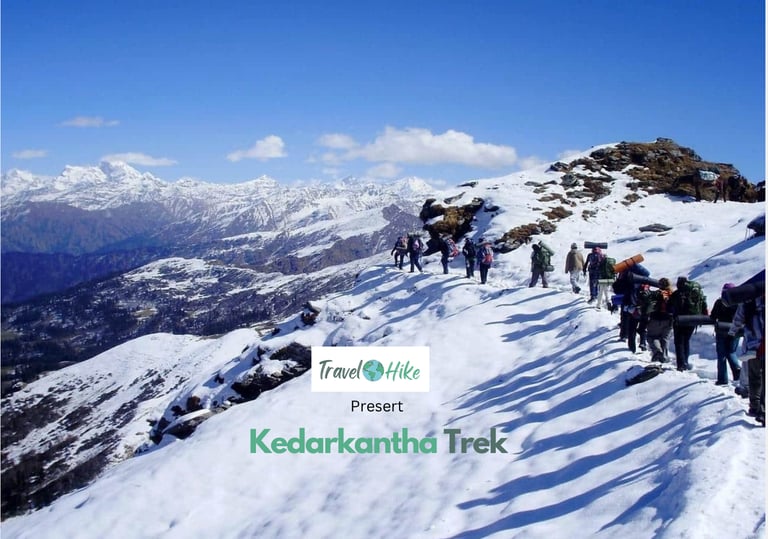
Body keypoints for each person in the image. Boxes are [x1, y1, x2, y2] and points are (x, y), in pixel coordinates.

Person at [729, 295, 765, 422]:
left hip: (754, 345)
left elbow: (738, 319)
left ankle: (756, 406)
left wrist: (732, 332)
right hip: (760, 345)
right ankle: (763, 409)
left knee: (755, 377)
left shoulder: (748, 299)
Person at [670, 276, 708, 372]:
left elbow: (669, 307)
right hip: (694, 319)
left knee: (679, 342)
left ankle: (681, 365)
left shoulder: (677, 293)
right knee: (686, 341)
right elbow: (704, 305)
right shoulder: (696, 292)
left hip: (680, 320)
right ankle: (685, 362)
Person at [710, 283, 741, 385]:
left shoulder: (719, 302)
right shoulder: (739, 303)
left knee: (721, 355)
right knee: (731, 352)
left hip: (721, 331)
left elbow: (713, 316)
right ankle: (737, 372)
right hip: (735, 330)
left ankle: (722, 379)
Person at [643, 277, 674, 363]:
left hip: (655, 318)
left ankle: (657, 352)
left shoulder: (656, 293)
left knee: (652, 337)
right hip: (669, 320)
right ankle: (664, 357)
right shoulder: (673, 294)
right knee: (665, 339)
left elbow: (648, 304)